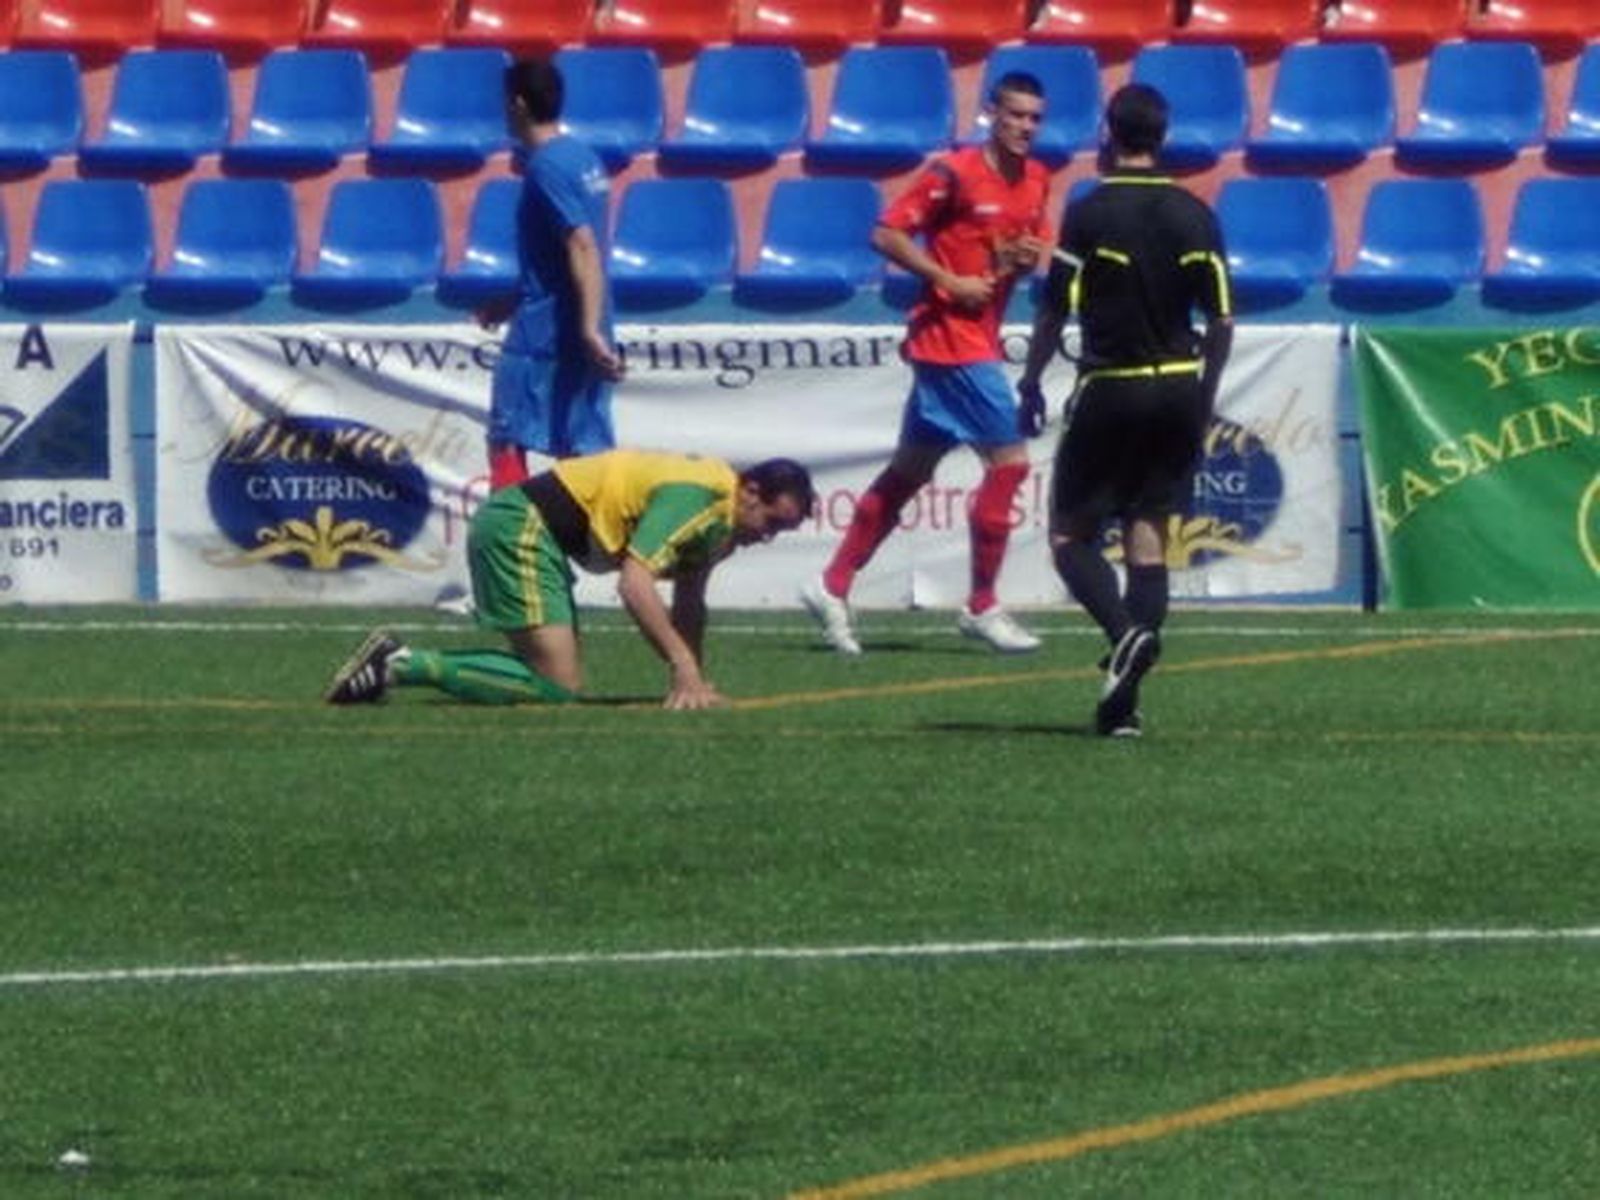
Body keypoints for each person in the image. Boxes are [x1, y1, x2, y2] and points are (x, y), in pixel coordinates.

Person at [800, 71, 1053, 657]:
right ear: (992, 114)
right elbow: (886, 233)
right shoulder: (955, 172)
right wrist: (943, 278)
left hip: (978, 334)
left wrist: (1016, 258)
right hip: (949, 339)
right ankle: (983, 605)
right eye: (1015, 115)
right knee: (1009, 464)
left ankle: (831, 584)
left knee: (909, 472)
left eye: (1035, 118)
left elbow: (1020, 250)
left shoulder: (1038, 180)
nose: (1025, 127)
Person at [1017, 83, 1234, 737]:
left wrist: (1030, 379)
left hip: (1113, 384)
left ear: (1109, 135)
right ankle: (1123, 708)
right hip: (1177, 385)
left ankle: (1126, 633)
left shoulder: (1089, 213)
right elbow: (1222, 319)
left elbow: (1055, 309)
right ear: (1162, 137)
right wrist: (1206, 394)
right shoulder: (1196, 214)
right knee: (1149, 537)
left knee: (1069, 537)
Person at [325, 451, 816, 710]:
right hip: (520, 526)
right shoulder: (700, 497)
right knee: (557, 685)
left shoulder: (722, 524)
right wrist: (682, 663)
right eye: (771, 522)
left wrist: (693, 681)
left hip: (535, 532)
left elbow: (690, 600)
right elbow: (635, 585)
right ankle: (400, 664)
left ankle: (396, 664)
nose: (767, 537)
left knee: (551, 680)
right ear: (750, 491)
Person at [481, 58, 623, 489]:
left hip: (546, 332)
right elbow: (567, 252)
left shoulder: (546, 167)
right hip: (582, 318)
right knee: (579, 444)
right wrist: (514, 297)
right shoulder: (584, 157)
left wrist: (585, 330)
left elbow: (581, 243)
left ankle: (509, 541)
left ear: (518, 105)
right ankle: (580, 544)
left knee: (508, 438)